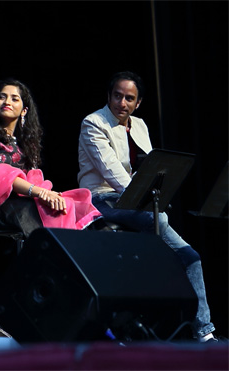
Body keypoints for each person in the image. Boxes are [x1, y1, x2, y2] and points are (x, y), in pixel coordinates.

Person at [77, 71, 217, 342]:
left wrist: (155, 198)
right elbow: (113, 173)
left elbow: (151, 170)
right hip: (103, 199)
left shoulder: (139, 125)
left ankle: (205, 335)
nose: (122, 102)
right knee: (160, 221)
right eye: (117, 96)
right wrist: (151, 204)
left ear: (138, 103)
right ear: (108, 96)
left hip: (137, 203)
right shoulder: (93, 123)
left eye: (129, 98)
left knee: (191, 257)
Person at [0, 78, 102, 240]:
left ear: (24, 111)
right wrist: (41, 193)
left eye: (14, 98)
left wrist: (49, 196)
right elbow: (1, 176)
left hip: (23, 201)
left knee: (64, 205)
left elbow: (33, 178)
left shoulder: (26, 143)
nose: (7, 101)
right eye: (2, 97)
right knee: (39, 212)